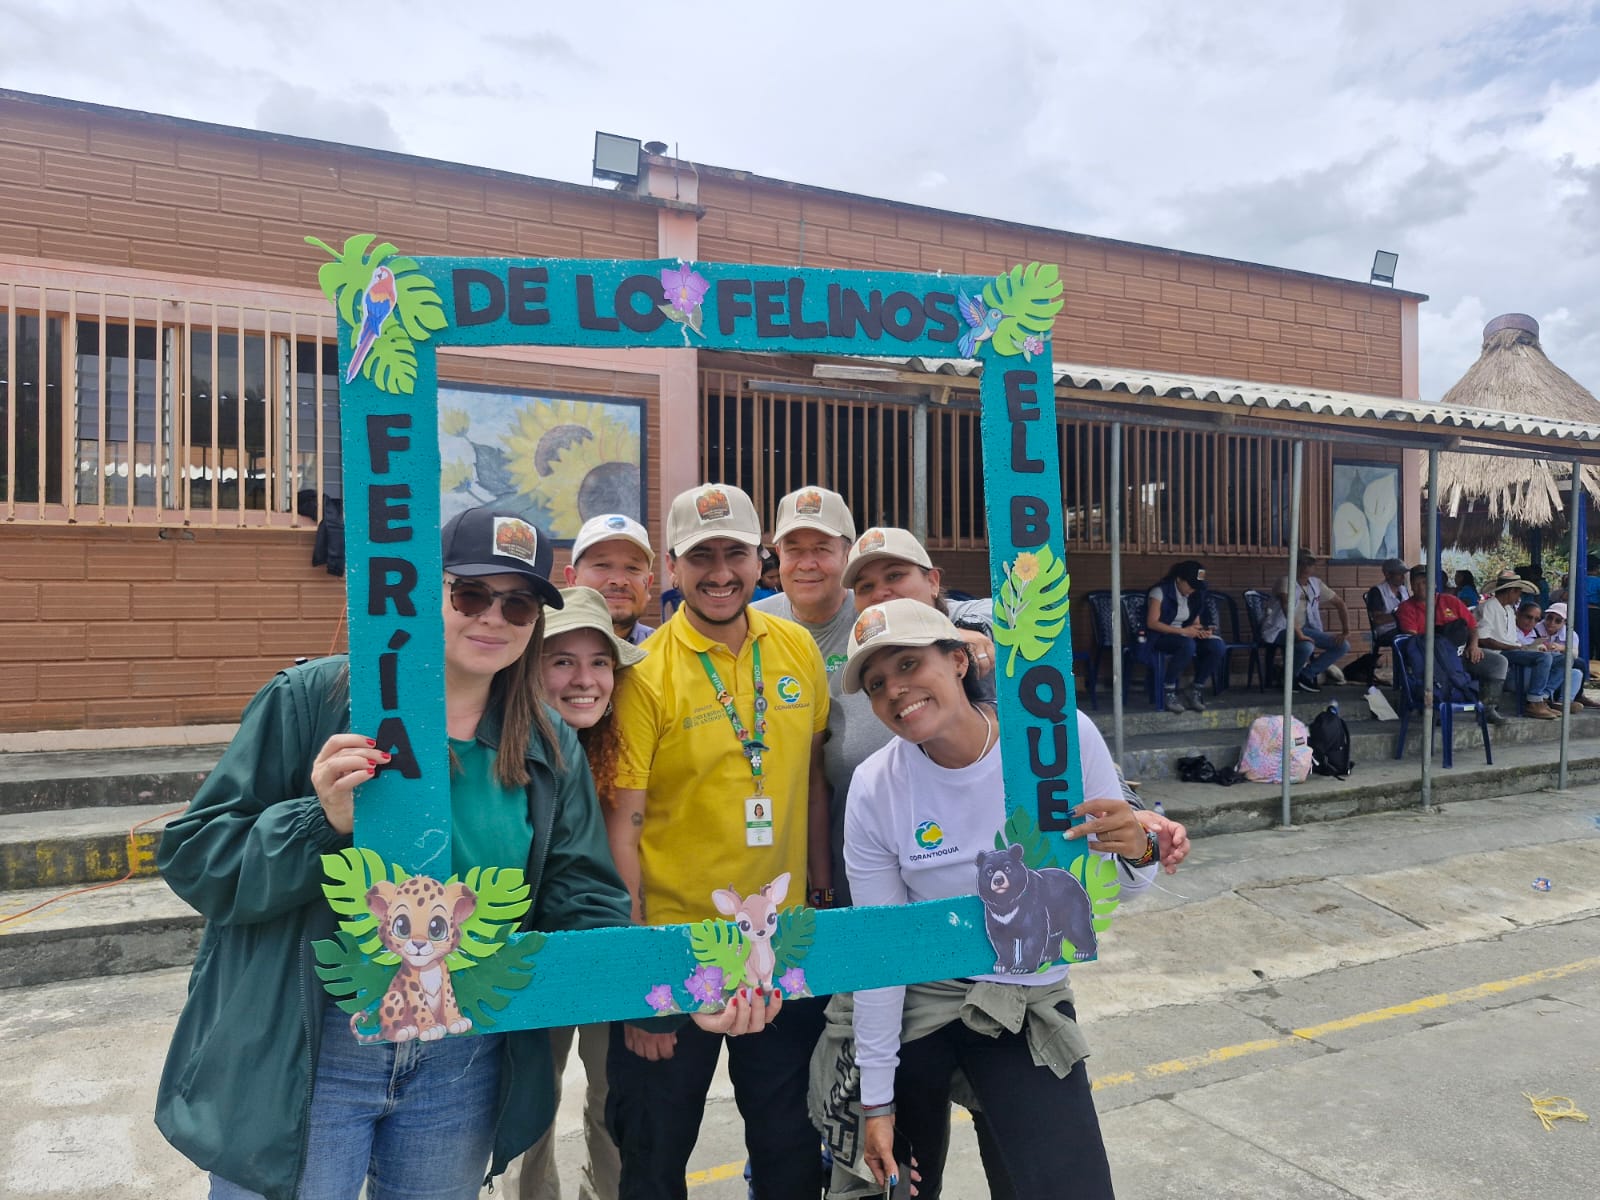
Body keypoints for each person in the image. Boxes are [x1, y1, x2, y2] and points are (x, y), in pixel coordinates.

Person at [155, 508, 637, 1200]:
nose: (493, 617)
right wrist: (318, 822)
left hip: (462, 1059)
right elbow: (198, 858)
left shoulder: (549, 745)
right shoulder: (315, 701)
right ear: (420, 593)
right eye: (470, 594)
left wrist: (681, 989)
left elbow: (585, 899)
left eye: (520, 604)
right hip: (314, 1047)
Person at [835, 598, 1157, 1199]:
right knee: (886, 1186)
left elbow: (1122, 888)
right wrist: (874, 1100)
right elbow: (882, 951)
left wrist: (1138, 847)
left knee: (1067, 1186)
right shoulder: (876, 786)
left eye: (909, 664)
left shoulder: (1055, 740)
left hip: (1022, 996)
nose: (896, 691)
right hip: (917, 1000)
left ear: (958, 660)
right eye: (877, 684)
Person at [604, 482, 828, 1200]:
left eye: (735, 551)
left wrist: (819, 899)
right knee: (654, 1152)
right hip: (676, 949)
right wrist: (641, 982)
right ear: (672, 567)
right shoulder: (645, 676)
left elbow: (813, 785)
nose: (721, 571)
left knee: (790, 1143)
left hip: (781, 949)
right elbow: (624, 824)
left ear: (761, 558)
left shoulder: (795, 647)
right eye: (702, 555)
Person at [511, 586, 648, 1200]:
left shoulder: (629, 744)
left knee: (612, 1094)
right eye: (562, 661)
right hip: (527, 955)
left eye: (599, 663)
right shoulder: (505, 748)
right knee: (529, 1102)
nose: (584, 680)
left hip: (610, 942)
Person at [752, 485, 859, 678]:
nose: (807, 565)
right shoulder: (750, 626)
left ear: (847, 555)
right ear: (779, 554)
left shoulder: (875, 622)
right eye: (794, 550)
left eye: (822, 549)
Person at [1394, 564, 1509, 724]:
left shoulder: (1450, 601)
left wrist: (1473, 645)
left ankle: (1489, 709)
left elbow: (1472, 626)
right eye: (1418, 582)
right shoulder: (1406, 608)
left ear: (1434, 584)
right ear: (1411, 586)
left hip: (1462, 654)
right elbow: (1415, 641)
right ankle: (1438, 707)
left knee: (1498, 662)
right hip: (1435, 661)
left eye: (1426, 581)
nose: (1423, 585)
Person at [1475, 568, 1562, 718]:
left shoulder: (1509, 609)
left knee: (1562, 659)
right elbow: (1483, 639)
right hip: (1499, 653)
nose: (1519, 596)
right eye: (1518, 592)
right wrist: (1514, 646)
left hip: (1512, 649)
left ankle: (1544, 698)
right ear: (1511, 591)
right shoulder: (1489, 607)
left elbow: (1511, 639)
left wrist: (1528, 647)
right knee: (1544, 658)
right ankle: (1534, 701)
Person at [1143, 560, 1225, 713]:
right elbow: (1152, 623)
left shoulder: (1195, 594)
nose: (1192, 589)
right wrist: (1184, 632)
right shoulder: (1160, 591)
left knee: (1217, 646)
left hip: (1185, 635)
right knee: (1187, 644)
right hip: (1161, 636)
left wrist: (1202, 631)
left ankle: (1195, 688)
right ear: (1178, 579)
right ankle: (1168, 690)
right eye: (1190, 585)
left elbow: (1195, 623)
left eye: (1196, 586)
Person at [1262, 552, 1351, 693]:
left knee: (1342, 645)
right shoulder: (1285, 581)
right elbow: (1286, 607)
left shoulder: (1316, 584)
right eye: (1301, 563)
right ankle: (1288, 678)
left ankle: (1306, 675)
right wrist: (1298, 633)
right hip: (1280, 629)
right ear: (1294, 565)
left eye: (1310, 564)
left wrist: (1345, 631)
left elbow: (1340, 603)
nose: (1306, 567)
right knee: (1306, 647)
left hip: (1306, 629)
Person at [564, 513, 656, 645]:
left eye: (632, 568)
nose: (619, 581)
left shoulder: (669, 655)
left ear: (649, 584)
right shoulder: (538, 650)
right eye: (602, 565)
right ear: (572, 579)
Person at [1513, 599, 1582, 714]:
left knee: (1575, 670)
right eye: (1549, 618)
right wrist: (1536, 649)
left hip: (1549, 671)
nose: (1552, 623)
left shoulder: (1570, 634)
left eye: (1558, 620)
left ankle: (1554, 700)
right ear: (1518, 615)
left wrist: (1561, 648)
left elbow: (1575, 654)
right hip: (1526, 669)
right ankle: (1536, 700)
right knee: (1547, 658)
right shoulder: (1536, 629)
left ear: (1564, 622)